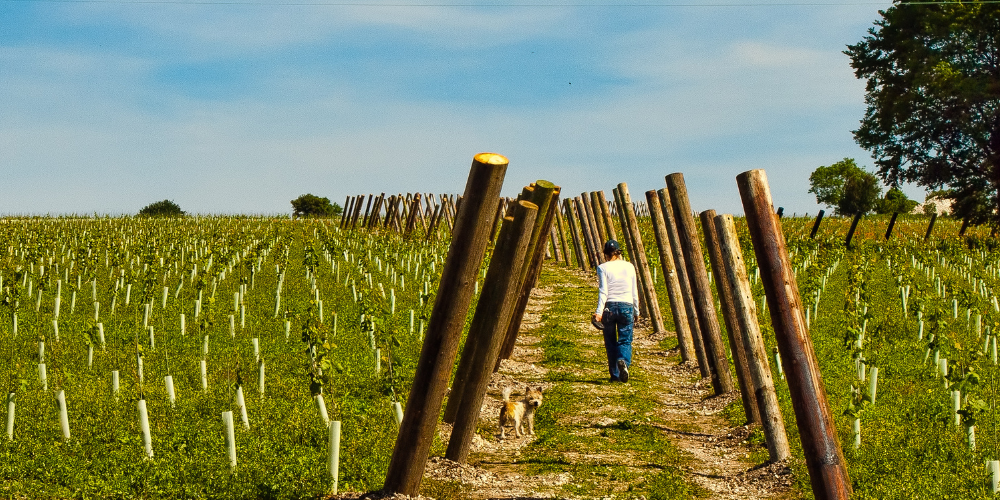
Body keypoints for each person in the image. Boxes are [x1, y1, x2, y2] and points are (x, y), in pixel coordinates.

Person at [592, 239, 639, 382]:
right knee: (625, 340)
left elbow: (603, 292)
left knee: (610, 341)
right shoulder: (629, 266)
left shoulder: (602, 268)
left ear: (606, 254)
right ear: (618, 252)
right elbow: (634, 290)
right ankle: (623, 360)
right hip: (627, 305)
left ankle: (615, 375)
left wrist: (599, 313)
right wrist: (636, 310)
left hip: (609, 307)